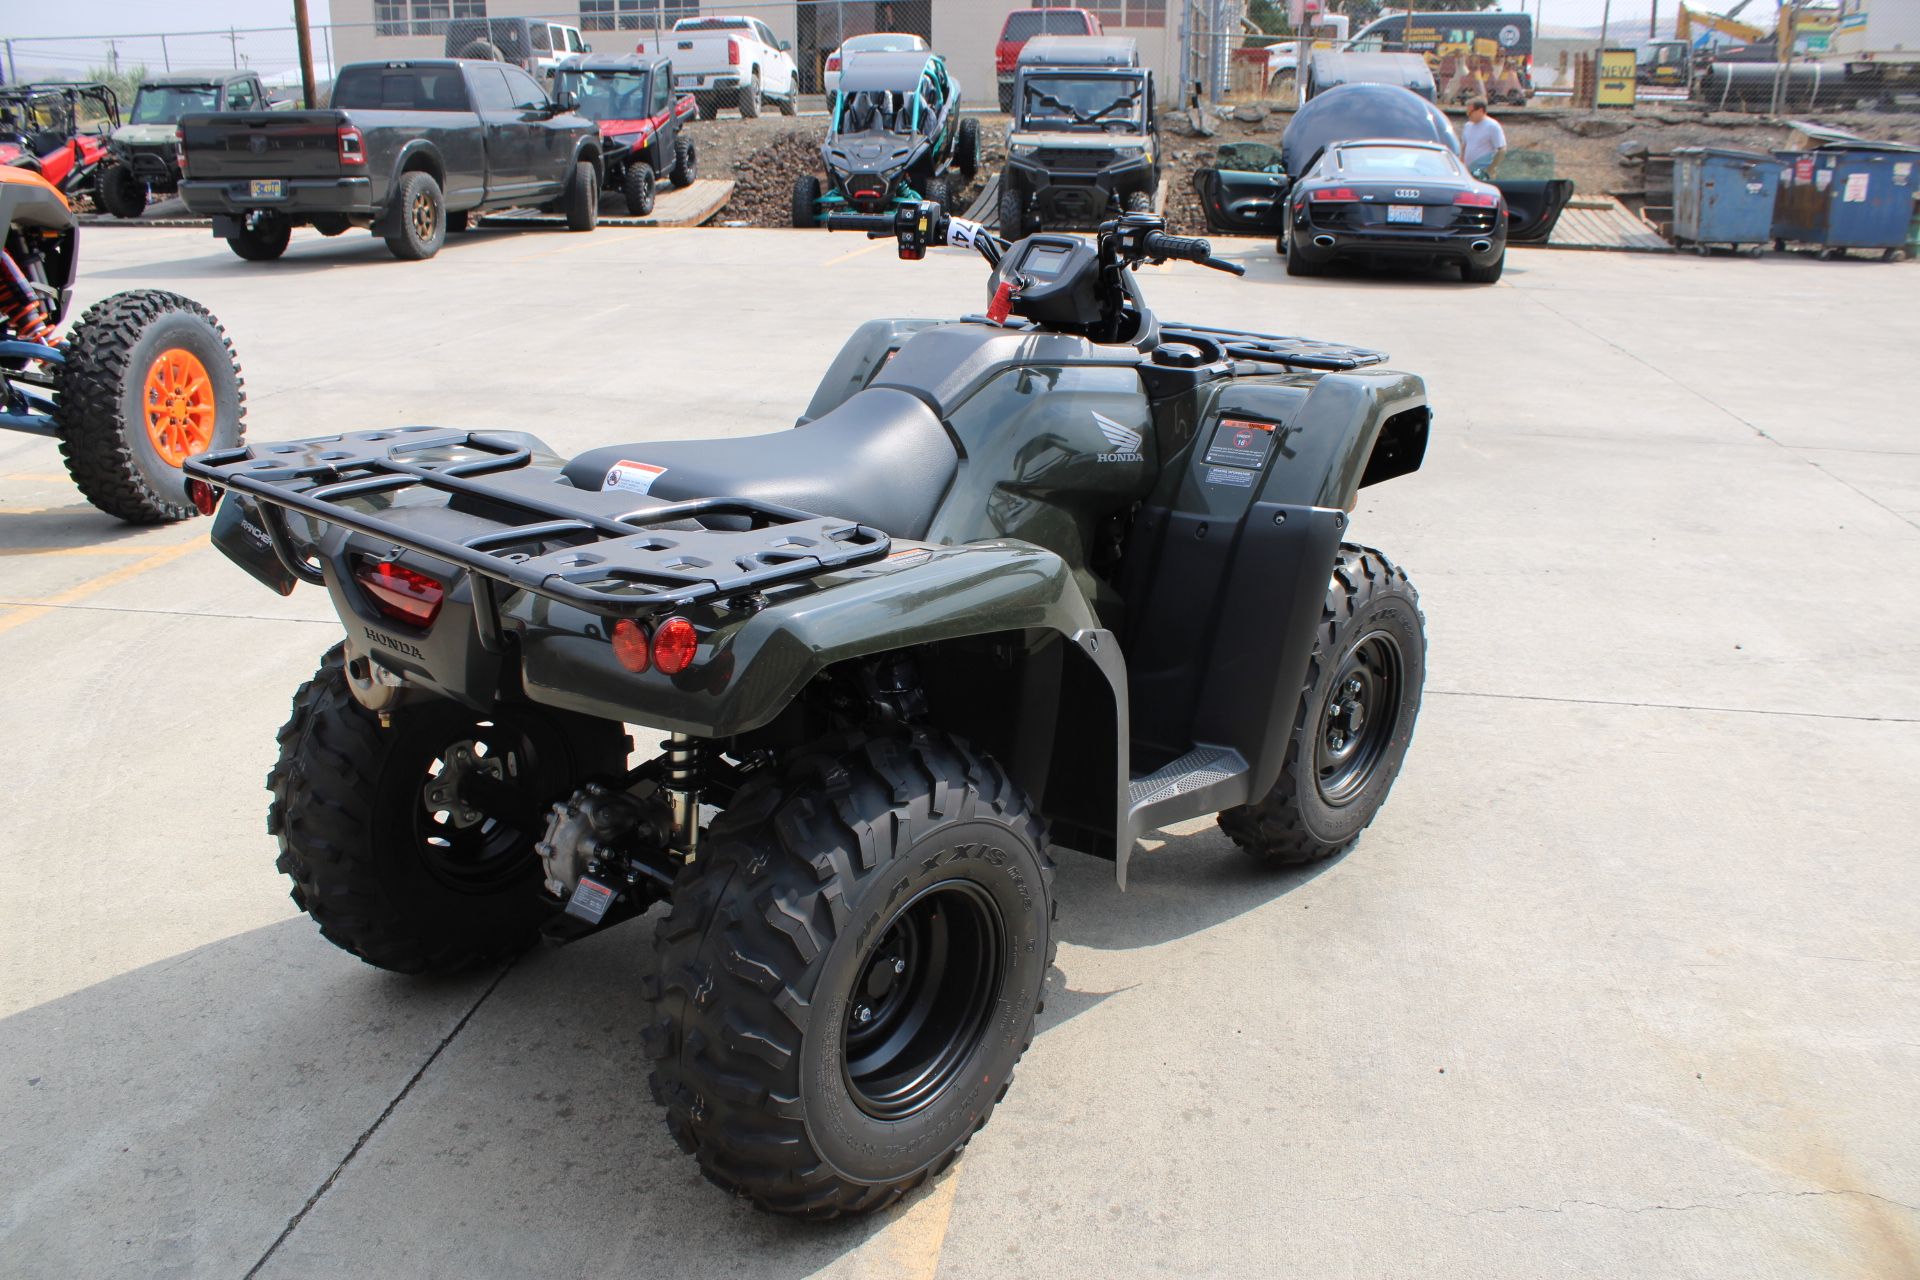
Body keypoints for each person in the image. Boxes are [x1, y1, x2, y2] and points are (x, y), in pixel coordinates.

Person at [1461, 97, 1506, 180]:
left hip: (1482, 171)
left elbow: (1501, 150)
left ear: (1480, 110)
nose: (1468, 115)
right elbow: (1464, 146)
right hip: (1468, 170)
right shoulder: (1468, 126)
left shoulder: (1492, 126)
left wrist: (1490, 169)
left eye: (1470, 112)